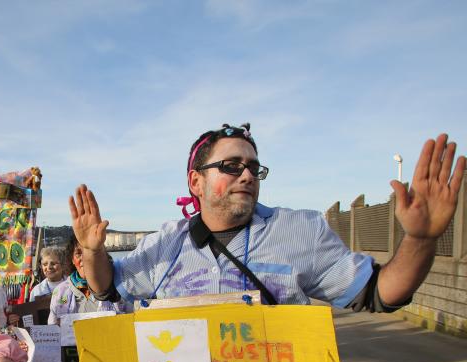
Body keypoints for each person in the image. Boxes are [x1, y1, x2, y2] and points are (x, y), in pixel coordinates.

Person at [69, 124, 465, 310]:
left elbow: (379, 292)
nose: (246, 174)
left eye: (253, 168)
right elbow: (108, 288)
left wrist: (421, 239)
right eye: (231, 165)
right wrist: (91, 251)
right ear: (196, 181)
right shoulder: (165, 243)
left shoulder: (300, 231)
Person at [48, 235, 129, 325]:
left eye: (89, 252)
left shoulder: (119, 286)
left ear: (100, 257)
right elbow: (53, 329)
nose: (84, 258)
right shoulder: (60, 292)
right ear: (72, 260)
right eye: (78, 253)